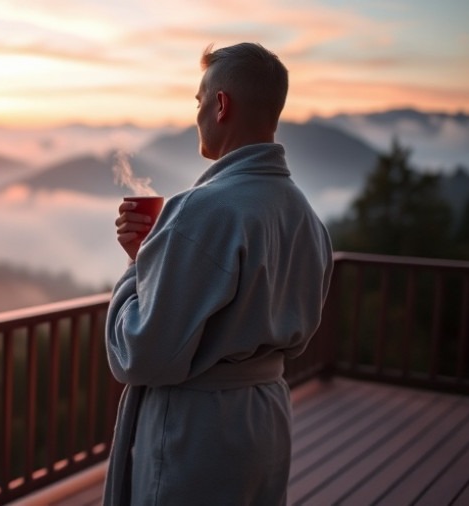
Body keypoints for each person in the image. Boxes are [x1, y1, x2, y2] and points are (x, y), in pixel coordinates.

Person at [104, 42, 334, 505]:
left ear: (221, 104)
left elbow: (140, 354)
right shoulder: (303, 214)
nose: (197, 115)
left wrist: (136, 267)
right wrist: (156, 258)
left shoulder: (202, 211)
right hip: (265, 421)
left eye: (199, 101)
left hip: (197, 436)